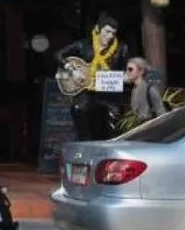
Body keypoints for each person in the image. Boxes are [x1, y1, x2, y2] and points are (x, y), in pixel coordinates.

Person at [57, 13, 128, 141]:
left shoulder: (121, 48)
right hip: (88, 93)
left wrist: (126, 77)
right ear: (97, 29)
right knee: (78, 110)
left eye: (113, 33)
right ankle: (86, 148)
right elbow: (58, 55)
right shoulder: (83, 45)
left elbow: (126, 70)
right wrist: (72, 70)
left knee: (111, 127)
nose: (110, 36)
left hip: (109, 95)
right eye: (107, 32)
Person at [125, 57, 166, 125]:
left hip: (152, 128)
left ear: (141, 71)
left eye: (130, 69)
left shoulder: (150, 89)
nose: (127, 72)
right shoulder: (134, 90)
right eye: (127, 69)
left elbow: (161, 113)